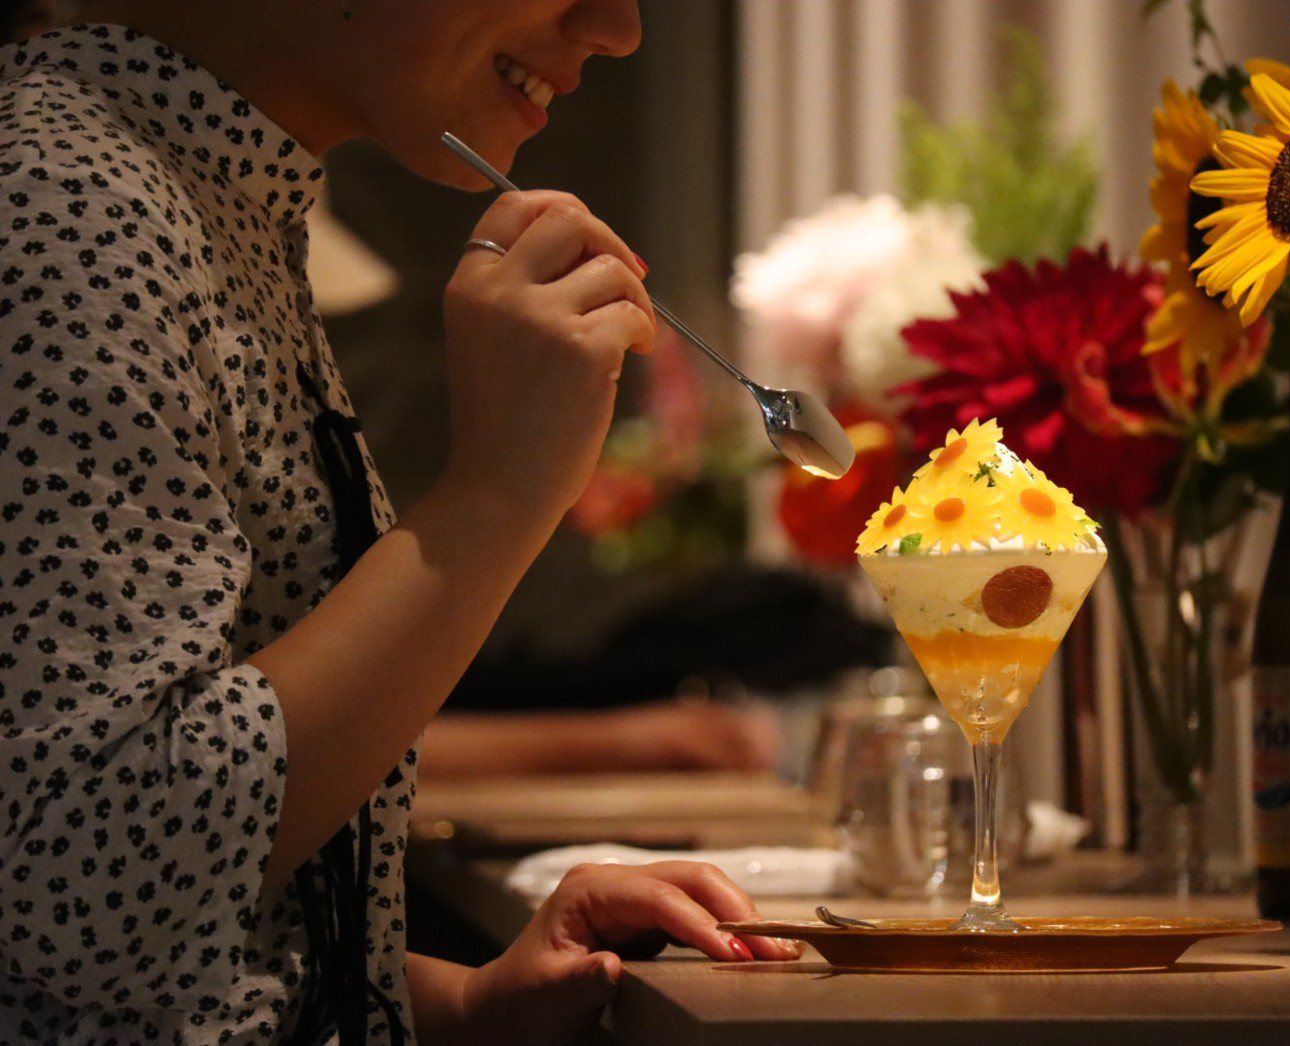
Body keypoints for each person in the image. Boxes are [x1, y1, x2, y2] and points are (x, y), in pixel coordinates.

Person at [0, 1, 800, 1043]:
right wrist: (498, 492)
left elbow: (143, 943)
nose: (617, 27)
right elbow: (98, 880)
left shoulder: (198, 190)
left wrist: (462, 1000)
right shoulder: (67, 208)